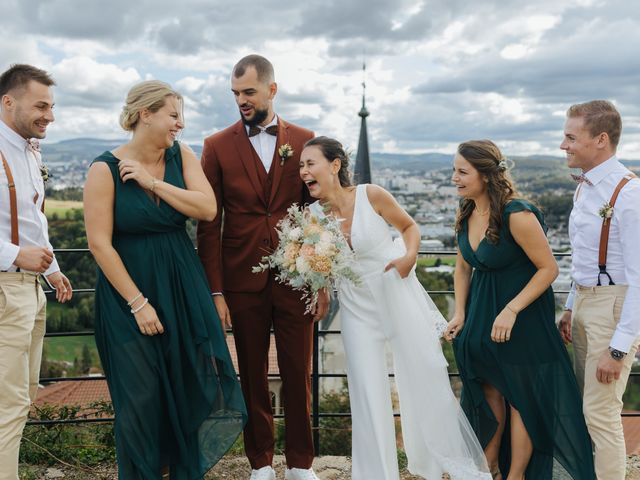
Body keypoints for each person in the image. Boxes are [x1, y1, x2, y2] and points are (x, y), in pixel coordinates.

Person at [300, 136, 492, 480]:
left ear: (334, 165)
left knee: (425, 375)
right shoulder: (311, 216)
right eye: (300, 165)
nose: (303, 171)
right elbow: (319, 266)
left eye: (309, 163)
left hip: (395, 294)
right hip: (356, 311)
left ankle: (438, 465)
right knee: (367, 394)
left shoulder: (370, 194)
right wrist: (319, 288)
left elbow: (409, 227)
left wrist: (409, 257)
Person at [84, 80, 246, 479]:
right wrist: (138, 304)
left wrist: (152, 182)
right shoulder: (103, 169)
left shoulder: (181, 155)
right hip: (128, 296)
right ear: (146, 114)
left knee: (187, 386)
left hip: (181, 287)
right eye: (174, 115)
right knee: (140, 400)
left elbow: (207, 208)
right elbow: (100, 245)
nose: (180, 124)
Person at [197, 54, 328, 480]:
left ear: (272, 89)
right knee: (251, 373)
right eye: (235, 94)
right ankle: (261, 463)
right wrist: (215, 291)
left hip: (298, 278)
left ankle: (301, 464)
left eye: (249, 92)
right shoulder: (216, 146)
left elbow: (319, 215)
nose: (241, 101)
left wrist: (321, 280)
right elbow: (208, 224)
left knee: (298, 371)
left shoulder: (307, 140)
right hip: (240, 281)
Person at [447, 140, 595, 479]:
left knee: (521, 399)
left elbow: (549, 269)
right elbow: (462, 269)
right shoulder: (467, 211)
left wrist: (512, 310)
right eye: (454, 170)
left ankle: (515, 475)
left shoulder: (518, 214)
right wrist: (459, 314)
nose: (454, 178)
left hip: (521, 317)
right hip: (484, 314)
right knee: (489, 388)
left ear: (485, 175)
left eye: (461, 171)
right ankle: (491, 466)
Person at [557, 100, 640, 480]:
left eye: (572, 137)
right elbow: (585, 258)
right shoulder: (585, 189)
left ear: (601, 140)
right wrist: (572, 306)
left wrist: (619, 348)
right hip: (587, 303)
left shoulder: (628, 193)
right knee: (583, 407)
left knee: (601, 412)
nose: (564, 145)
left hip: (614, 308)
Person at [0, 63, 73, 479]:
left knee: (23, 396)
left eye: (52, 106)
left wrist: (53, 267)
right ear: (9, 102)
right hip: (5, 289)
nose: (49, 115)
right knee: (8, 404)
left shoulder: (26, 149)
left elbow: (32, 220)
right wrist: (13, 255)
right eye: (40, 105)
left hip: (30, 290)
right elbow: (16, 242)